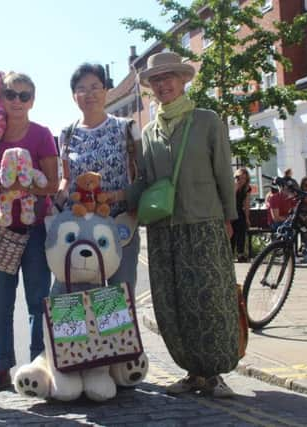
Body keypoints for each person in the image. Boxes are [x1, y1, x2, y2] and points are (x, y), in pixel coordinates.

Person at [125, 52, 240, 397]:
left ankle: (215, 373)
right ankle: (192, 372)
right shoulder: (147, 132)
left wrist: (230, 218)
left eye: (169, 77)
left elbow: (223, 172)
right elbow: (144, 180)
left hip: (204, 223)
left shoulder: (207, 121)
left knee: (210, 300)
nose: (163, 84)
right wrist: (107, 196)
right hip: (164, 230)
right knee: (173, 301)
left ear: (183, 79)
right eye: (157, 80)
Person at [0, 72, 58, 393]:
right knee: (1, 302)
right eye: (11, 94)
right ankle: (1, 368)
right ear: (2, 96)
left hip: (35, 228)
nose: (17, 101)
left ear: (33, 101)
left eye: (24, 96)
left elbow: (52, 185)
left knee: (38, 301)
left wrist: (22, 185)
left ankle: (38, 365)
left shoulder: (41, 135)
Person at [56, 63, 141, 292]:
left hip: (120, 227)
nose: (89, 93)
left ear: (106, 90)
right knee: (79, 299)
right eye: (82, 89)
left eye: (95, 86)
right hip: (80, 229)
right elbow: (65, 179)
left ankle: (119, 330)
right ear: (74, 96)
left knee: (118, 302)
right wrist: (55, 204)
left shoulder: (127, 128)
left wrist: (116, 196)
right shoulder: (67, 133)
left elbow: (142, 176)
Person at [231, 168, 251, 262]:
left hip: (239, 210)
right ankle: (230, 253)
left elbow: (246, 203)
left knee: (241, 229)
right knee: (231, 232)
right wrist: (236, 187)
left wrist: (247, 218)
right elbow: (230, 199)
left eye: (244, 178)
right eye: (240, 178)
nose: (242, 180)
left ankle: (240, 253)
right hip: (230, 209)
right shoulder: (232, 185)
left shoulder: (247, 188)